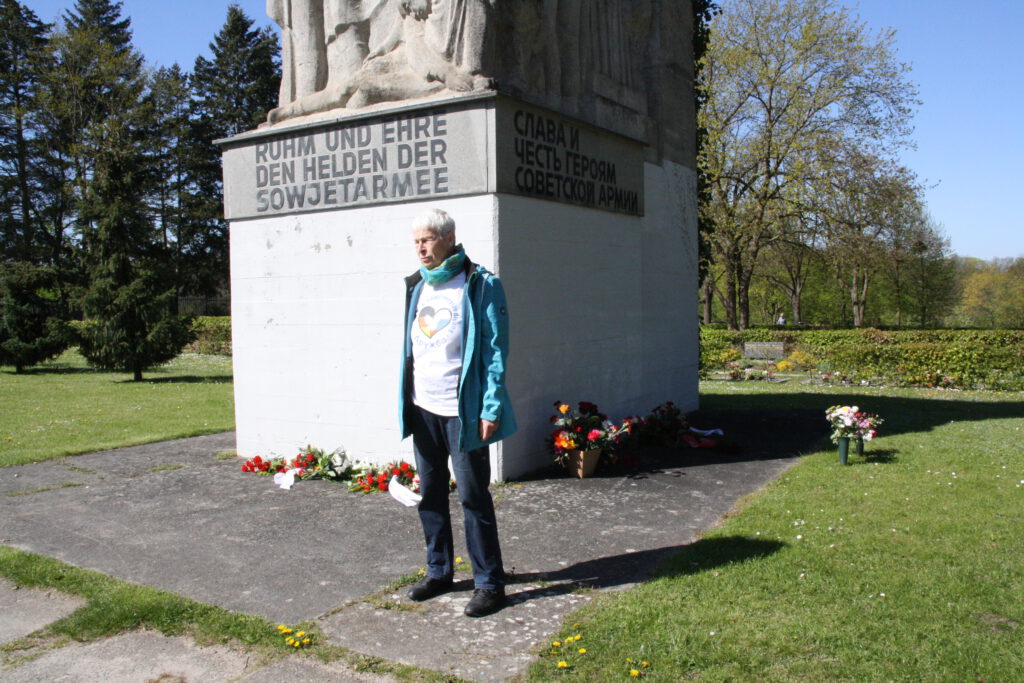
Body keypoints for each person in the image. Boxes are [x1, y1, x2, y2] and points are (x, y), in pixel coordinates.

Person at [398, 207, 517, 617]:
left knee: (472, 496)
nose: (421, 247)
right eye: (416, 240)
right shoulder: (418, 287)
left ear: (449, 238)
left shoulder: (481, 284)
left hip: (461, 412)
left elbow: (496, 351)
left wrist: (491, 405)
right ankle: (439, 571)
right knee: (430, 495)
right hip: (423, 409)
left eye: (428, 239)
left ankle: (489, 582)